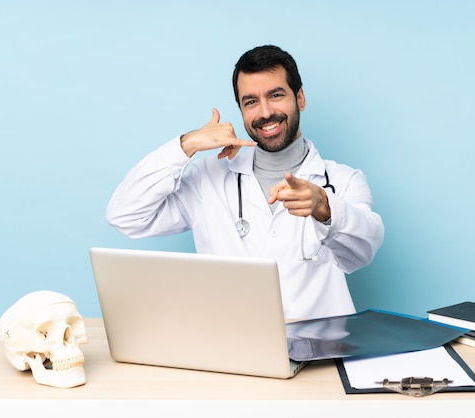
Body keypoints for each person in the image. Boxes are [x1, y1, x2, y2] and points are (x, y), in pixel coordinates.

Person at [106, 45, 384, 320]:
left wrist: (324, 207)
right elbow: (126, 215)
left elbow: (362, 252)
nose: (264, 113)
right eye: (251, 101)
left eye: (276, 95)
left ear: (300, 98)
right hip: (232, 352)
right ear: (240, 109)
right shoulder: (207, 180)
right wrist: (186, 145)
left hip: (321, 353)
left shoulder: (342, 180)